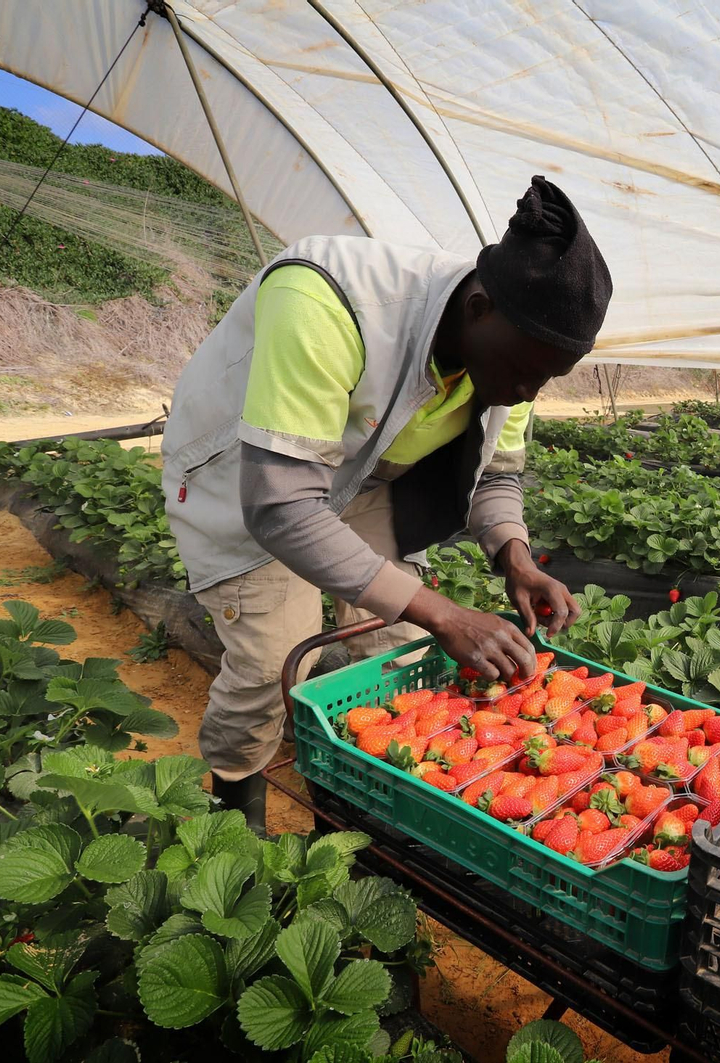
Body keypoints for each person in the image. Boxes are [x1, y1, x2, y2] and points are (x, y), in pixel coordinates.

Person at [160, 176, 612, 830]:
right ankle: (234, 823)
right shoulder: (327, 296)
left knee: (397, 648)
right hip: (249, 473)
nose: (526, 389)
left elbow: (497, 478)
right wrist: (447, 613)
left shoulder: (516, 362)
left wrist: (516, 555)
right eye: (526, 369)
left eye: (546, 378)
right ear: (480, 306)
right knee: (271, 661)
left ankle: (354, 810)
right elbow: (283, 507)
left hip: (366, 474)